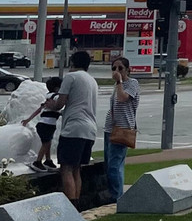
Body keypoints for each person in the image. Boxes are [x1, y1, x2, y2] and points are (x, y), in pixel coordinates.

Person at [54, 50, 99, 206]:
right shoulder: (92, 81)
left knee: (66, 168)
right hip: (90, 130)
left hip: (73, 129)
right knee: (76, 169)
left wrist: (50, 106)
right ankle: (77, 203)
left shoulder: (70, 77)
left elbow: (60, 103)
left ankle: (71, 205)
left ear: (72, 63)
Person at [104, 56, 139, 203]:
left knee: (114, 165)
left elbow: (123, 98)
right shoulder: (116, 85)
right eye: (114, 68)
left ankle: (116, 197)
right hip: (110, 128)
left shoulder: (132, 83)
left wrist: (119, 81)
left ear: (127, 69)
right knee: (111, 164)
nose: (116, 71)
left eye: (120, 68)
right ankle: (117, 193)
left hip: (123, 128)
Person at [22, 76, 63, 171]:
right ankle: (38, 161)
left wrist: (28, 119)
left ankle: (48, 160)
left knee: (48, 141)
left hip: (45, 125)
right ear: (57, 88)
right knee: (46, 143)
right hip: (47, 125)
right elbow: (63, 102)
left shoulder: (48, 96)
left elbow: (39, 109)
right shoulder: (55, 96)